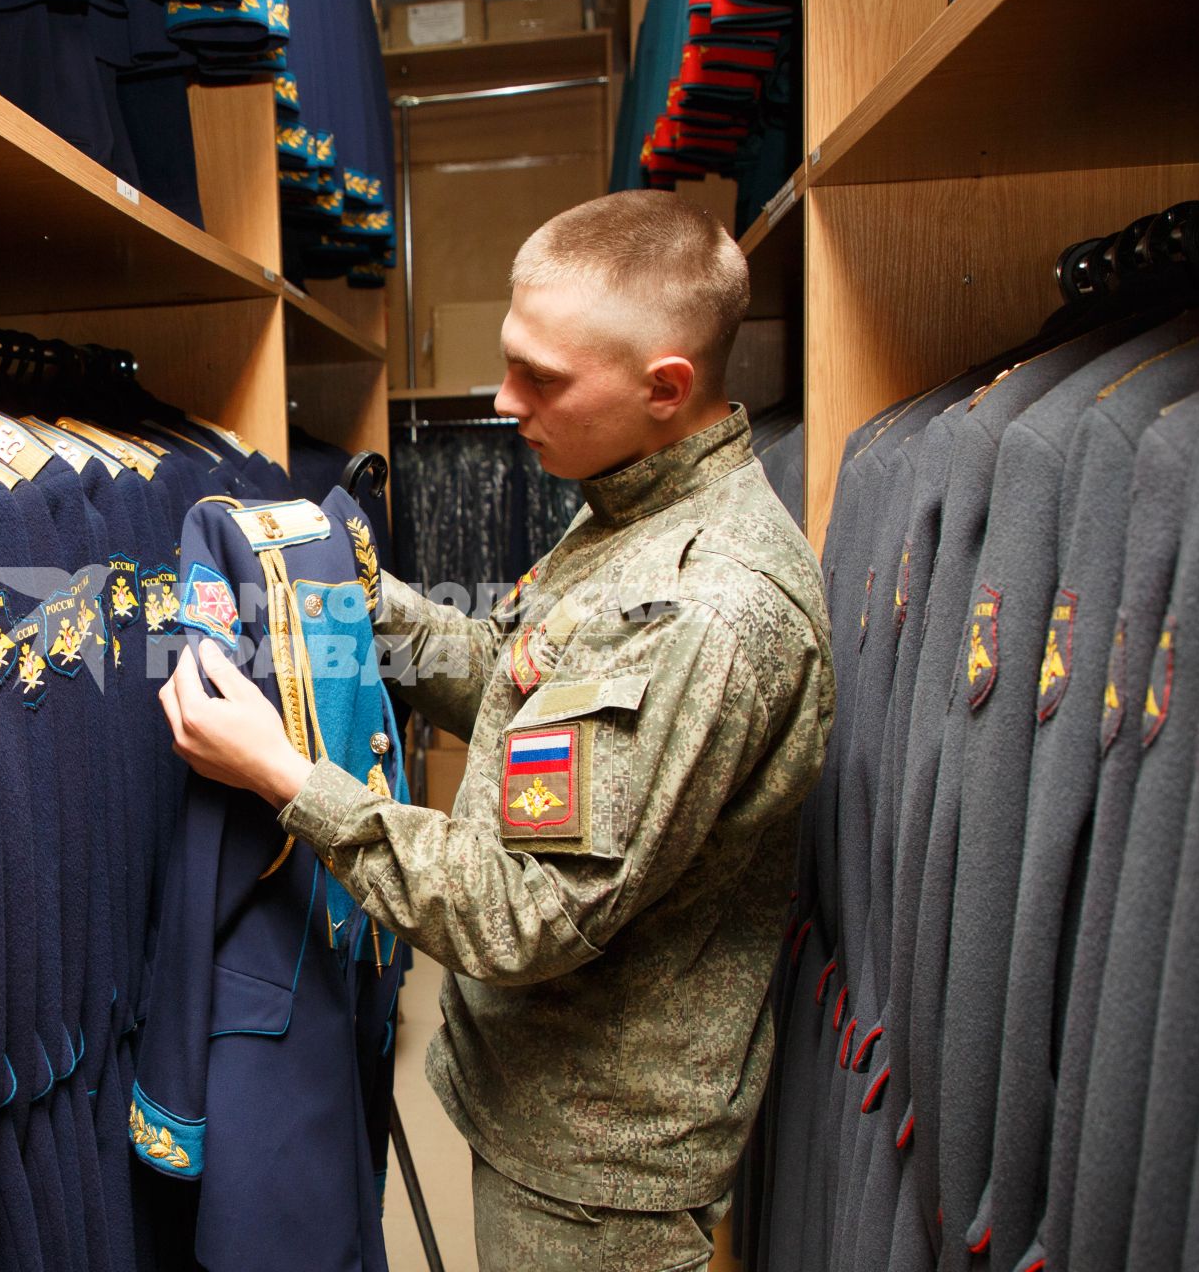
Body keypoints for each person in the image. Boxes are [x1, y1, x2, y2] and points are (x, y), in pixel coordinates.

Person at [158, 189, 833, 1271]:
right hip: (540, 1103)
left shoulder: (709, 607)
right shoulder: (629, 502)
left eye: (543, 378)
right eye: (511, 359)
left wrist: (289, 776)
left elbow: (522, 908)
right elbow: (519, 688)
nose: (506, 399)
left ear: (667, 388)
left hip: (596, 1175)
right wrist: (360, 603)